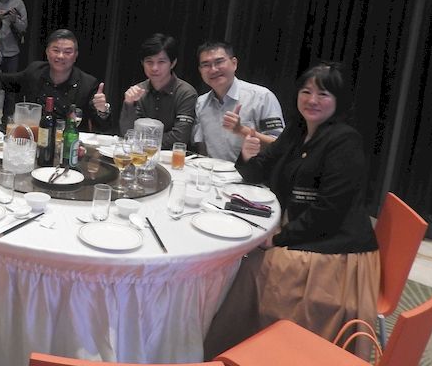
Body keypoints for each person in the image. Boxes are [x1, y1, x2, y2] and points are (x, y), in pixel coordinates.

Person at [203, 63, 379, 359]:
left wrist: (278, 238)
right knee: (243, 259)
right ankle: (237, 346)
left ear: (339, 100)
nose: (312, 100)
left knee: (252, 267)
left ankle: (264, 352)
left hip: (336, 249)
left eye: (323, 94)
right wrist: (246, 155)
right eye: (306, 92)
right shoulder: (298, 131)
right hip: (309, 230)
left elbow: (329, 212)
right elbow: (259, 170)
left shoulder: (344, 141)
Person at [1, 29, 111, 131]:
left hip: (70, 141)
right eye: (56, 50)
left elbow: (103, 127)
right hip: (36, 137)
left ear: (75, 56)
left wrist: (102, 110)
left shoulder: (87, 83)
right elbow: (7, 82)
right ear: (47, 52)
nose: (60, 56)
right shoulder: (35, 71)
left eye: (67, 52)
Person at [192, 41, 284, 161]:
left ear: (234, 63)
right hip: (211, 170)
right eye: (206, 65)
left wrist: (241, 130)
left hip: (251, 171)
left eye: (219, 62)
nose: (213, 69)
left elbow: (279, 146)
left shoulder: (261, 97)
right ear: (200, 71)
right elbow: (202, 147)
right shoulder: (201, 103)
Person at [119, 34, 197, 149]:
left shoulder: (186, 93)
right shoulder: (138, 91)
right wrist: (129, 104)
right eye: (149, 62)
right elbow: (127, 133)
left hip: (171, 157)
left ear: (173, 63)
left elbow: (180, 137)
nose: (154, 68)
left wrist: (143, 142)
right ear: (142, 63)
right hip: (140, 155)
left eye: (161, 62)